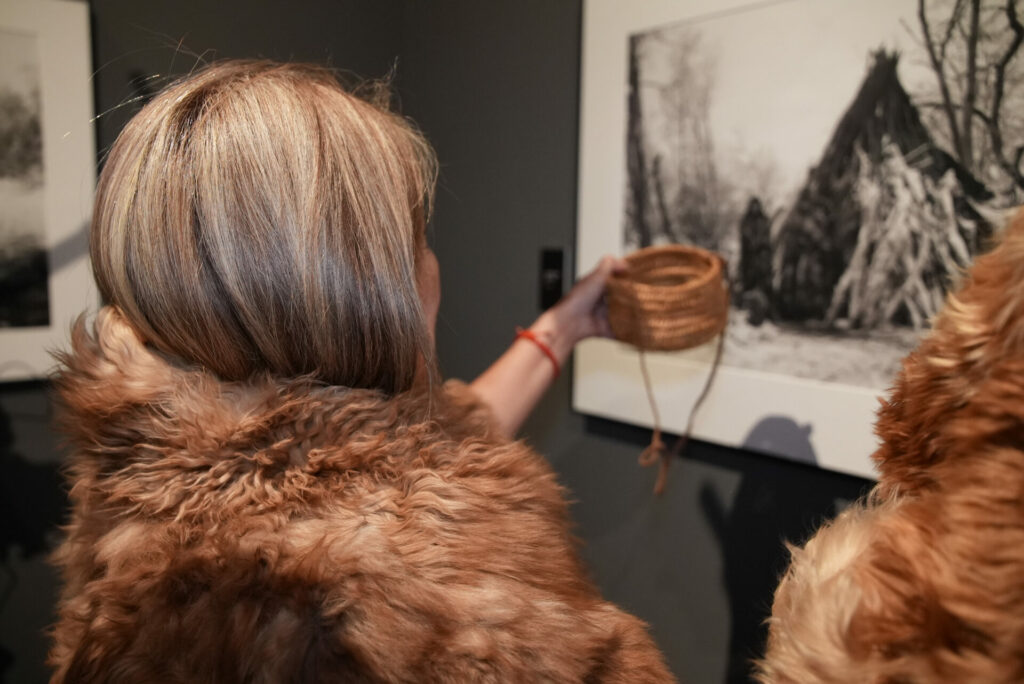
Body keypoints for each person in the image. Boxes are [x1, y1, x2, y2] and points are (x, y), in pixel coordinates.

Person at [48, 60, 673, 682]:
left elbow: (394, 455)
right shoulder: (457, 613)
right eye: (419, 239)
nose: (433, 265)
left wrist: (561, 330)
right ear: (369, 285)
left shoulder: (149, 480)